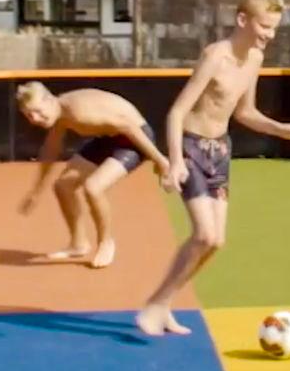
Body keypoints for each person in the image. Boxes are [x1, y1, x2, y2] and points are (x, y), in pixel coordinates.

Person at [135, 0, 290, 337]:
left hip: (220, 152)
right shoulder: (215, 56)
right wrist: (174, 162)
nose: (269, 35)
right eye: (264, 26)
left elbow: (245, 112)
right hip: (190, 148)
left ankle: (162, 303)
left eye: (274, 28)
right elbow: (176, 112)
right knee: (204, 233)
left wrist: (283, 130)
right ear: (243, 20)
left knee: (215, 242)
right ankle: (156, 305)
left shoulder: (255, 59)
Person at [14, 81, 172, 269]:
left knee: (93, 187)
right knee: (63, 186)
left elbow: (129, 127)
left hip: (133, 139)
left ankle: (106, 242)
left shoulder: (79, 111)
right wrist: (36, 191)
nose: (35, 119)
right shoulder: (60, 114)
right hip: (108, 139)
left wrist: (161, 161)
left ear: (49, 100)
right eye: (29, 115)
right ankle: (78, 244)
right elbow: (51, 149)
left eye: (38, 111)